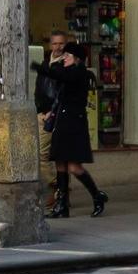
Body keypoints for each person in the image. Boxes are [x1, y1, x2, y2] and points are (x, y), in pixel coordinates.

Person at [45, 41, 107, 219]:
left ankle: (97, 196)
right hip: (62, 121)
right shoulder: (67, 71)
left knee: (73, 166)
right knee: (60, 162)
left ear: (77, 59)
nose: (64, 57)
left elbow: (63, 78)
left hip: (74, 122)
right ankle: (62, 206)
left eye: (68, 55)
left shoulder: (79, 73)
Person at [33, 30, 68, 211]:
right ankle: (59, 189)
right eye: (54, 44)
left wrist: (51, 112)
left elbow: (63, 93)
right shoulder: (46, 64)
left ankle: (59, 190)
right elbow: (40, 89)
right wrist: (40, 109)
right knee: (43, 155)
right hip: (43, 115)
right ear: (50, 45)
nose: (58, 47)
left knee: (49, 155)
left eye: (61, 43)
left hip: (56, 115)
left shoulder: (67, 65)